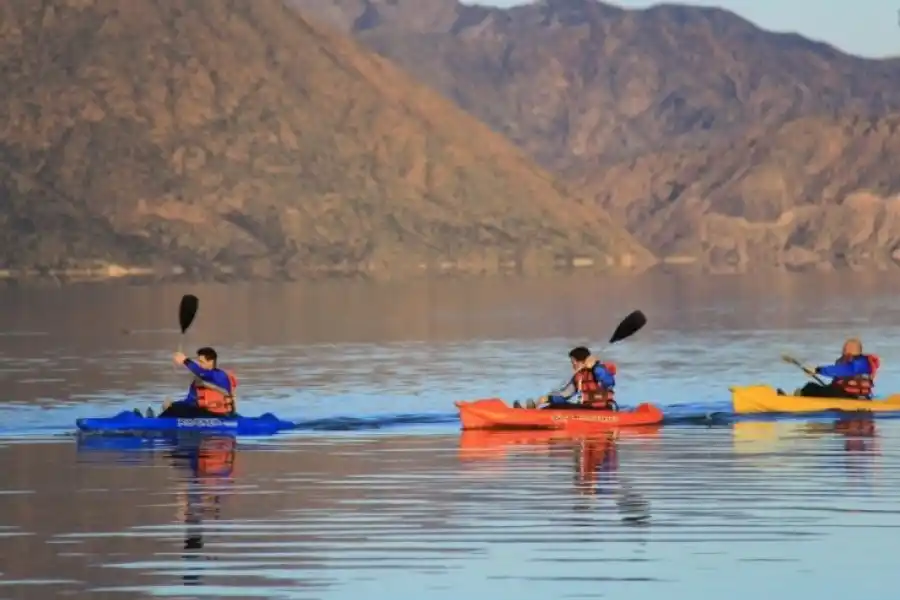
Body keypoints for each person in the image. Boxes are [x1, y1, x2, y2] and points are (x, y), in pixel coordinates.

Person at [140, 347, 238, 418]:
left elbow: (200, 371)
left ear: (211, 362)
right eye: (199, 362)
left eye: (202, 362)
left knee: (174, 407)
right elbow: (191, 401)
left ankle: (157, 422)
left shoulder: (218, 376)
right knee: (173, 405)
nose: (200, 365)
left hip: (214, 414)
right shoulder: (203, 377)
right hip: (202, 411)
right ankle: (162, 417)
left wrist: (184, 360)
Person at [515, 346, 617, 410]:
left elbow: (609, 382)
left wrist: (595, 367)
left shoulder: (599, 370)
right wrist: (548, 398)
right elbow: (565, 395)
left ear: (582, 361)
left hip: (603, 409)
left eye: (574, 362)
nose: (573, 365)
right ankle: (531, 412)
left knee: (558, 407)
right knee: (553, 406)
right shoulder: (578, 377)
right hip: (587, 408)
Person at [788, 338, 880, 399]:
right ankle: (799, 395)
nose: (843, 351)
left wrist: (817, 370)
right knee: (823, 388)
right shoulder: (865, 363)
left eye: (845, 349)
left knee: (810, 387)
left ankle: (797, 397)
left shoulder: (859, 364)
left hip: (846, 396)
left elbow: (842, 370)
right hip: (855, 396)